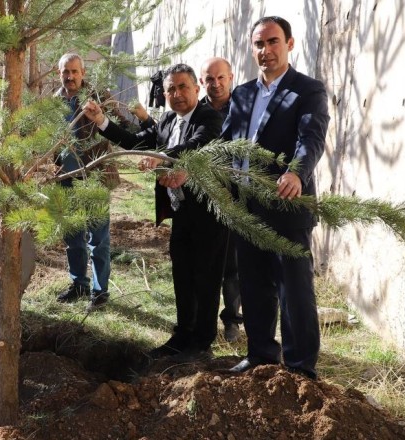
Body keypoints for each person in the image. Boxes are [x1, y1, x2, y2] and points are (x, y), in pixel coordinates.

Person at [82, 63, 226, 361]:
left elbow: (197, 144)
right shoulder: (167, 120)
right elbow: (137, 142)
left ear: (197, 89)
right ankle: (183, 334)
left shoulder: (209, 117)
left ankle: (202, 342)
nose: (176, 94)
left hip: (209, 215)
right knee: (182, 275)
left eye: (183, 87)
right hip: (181, 212)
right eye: (170, 89)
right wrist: (102, 123)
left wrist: (159, 157)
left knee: (206, 279)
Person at [222, 16, 330, 380]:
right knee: (253, 286)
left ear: (290, 43)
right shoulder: (242, 94)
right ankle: (261, 355)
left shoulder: (308, 91)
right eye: (258, 44)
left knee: (294, 289)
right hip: (246, 207)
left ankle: (301, 368)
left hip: (287, 206)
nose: (265, 50)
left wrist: (297, 173)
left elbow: (311, 138)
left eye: (272, 42)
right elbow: (225, 144)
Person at [54, 53, 133, 312]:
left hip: (95, 177)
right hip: (65, 179)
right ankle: (79, 284)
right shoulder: (54, 103)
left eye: (75, 71)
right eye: (66, 71)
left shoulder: (98, 96)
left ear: (83, 73)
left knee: (98, 238)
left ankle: (100, 292)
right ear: (59, 73)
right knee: (72, 237)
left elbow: (121, 124)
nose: (70, 76)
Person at [200, 57, 243, 342]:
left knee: (231, 265)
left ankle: (231, 320)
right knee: (203, 262)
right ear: (201, 82)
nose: (215, 84)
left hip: (234, 194)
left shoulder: (243, 108)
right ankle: (201, 321)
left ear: (231, 77)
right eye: (209, 79)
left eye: (221, 78)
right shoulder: (196, 108)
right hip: (201, 196)